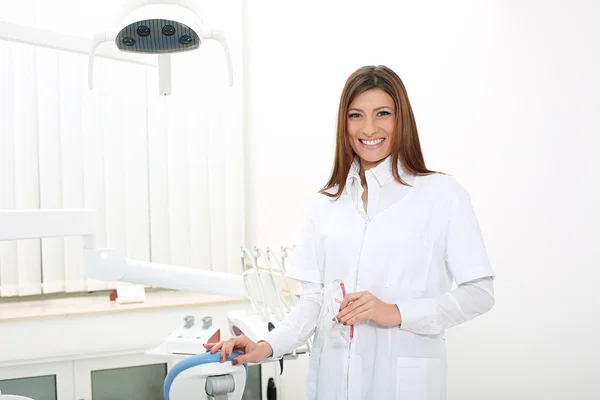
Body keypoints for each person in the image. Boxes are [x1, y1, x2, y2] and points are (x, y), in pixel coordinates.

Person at [205, 65, 496, 399]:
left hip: (403, 385)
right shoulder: (325, 204)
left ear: (402, 120)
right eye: (356, 115)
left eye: (382, 113)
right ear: (344, 125)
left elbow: (480, 293)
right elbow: (312, 302)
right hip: (335, 382)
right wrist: (265, 345)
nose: (369, 127)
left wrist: (397, 312)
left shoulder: (441, 195)